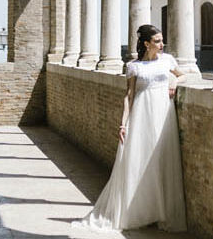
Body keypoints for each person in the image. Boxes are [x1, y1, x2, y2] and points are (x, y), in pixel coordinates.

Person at [73, 24, 187, 232]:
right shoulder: (134, 66)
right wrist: (123, 123)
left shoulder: (167, 60)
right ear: (146, 44)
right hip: (142, 114)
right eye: (157, 41)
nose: (162, 44)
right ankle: (140, 211)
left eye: (162, 40)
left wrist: (174, 83)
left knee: (162, 159)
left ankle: (160, 211)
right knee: (140, 160)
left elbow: (182, 75)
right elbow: (129, 96)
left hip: (163, 114)